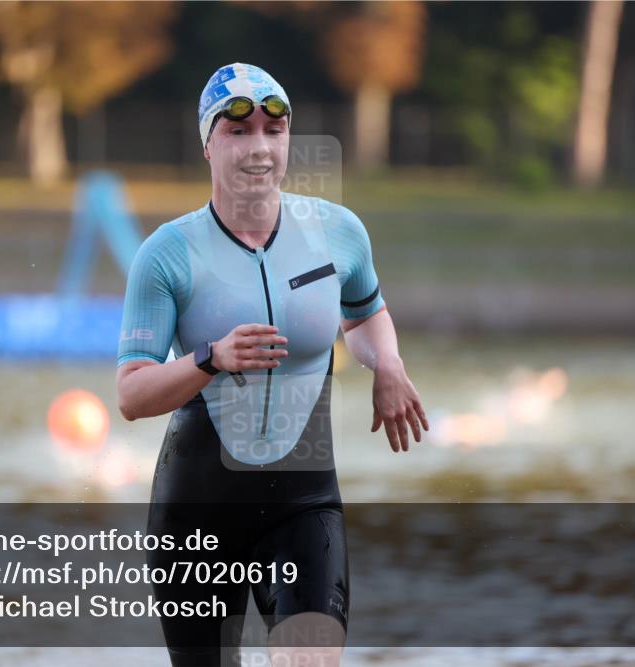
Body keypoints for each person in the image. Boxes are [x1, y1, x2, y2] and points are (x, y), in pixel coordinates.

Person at [116, 62, 429, 667]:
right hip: (197, 516)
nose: (259, 148)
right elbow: (132, 396)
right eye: (238, 133)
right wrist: (210, 359)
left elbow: (365, 316)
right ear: (207, 143)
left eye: (273, 130)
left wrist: (386, 362)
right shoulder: (167, 255)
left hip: (304, 506)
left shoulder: (337, 233)